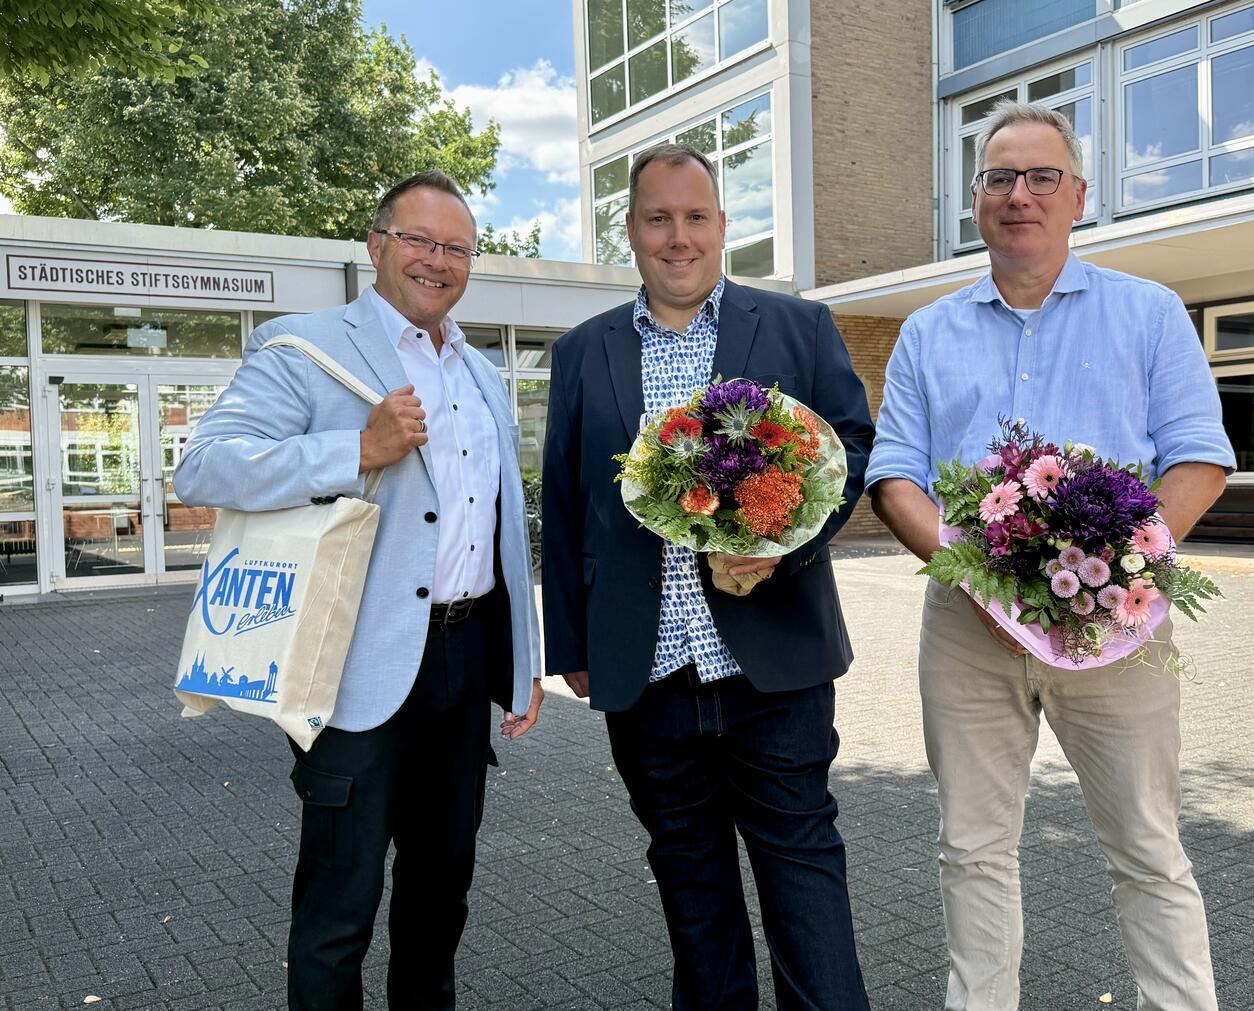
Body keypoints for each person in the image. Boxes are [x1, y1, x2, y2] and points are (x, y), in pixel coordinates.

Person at [866, 100, 1235, 1011]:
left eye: (1040, 178)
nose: (1018, 195)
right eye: (998, 178)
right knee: (972, 846)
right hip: (968, 629)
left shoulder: (1148, 314)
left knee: (1148, 845)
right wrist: (973, 575)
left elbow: (1199, 456)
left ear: (1078, 198)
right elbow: (895, 475)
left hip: (1117, 623)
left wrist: (1130, 567)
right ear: (977, 201)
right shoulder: (926, 333)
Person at [175, 169, 544, 1011]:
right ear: (376, 247)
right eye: (418, 240)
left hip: (462, 665)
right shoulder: (303, 344)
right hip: (350, 677)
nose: (436, 260)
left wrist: (523, 661)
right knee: (339, 913)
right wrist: (354, 450)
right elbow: (204, 465)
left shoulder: (481, 371)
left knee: (439, 900)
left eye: (456, 248)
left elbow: (495, 525)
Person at [541, 142, 874, 1010]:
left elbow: (851, 452)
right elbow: (568, 501)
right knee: (692, 893)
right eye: (658, 218)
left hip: (775, 665)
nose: (677, 237)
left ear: (722, 227)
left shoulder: (797, 326)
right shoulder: (583, 352)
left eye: (695, 217)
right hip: (646, 672)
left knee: (803, 879)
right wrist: (571, 643)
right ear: (632, 231)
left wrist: (785, 543)